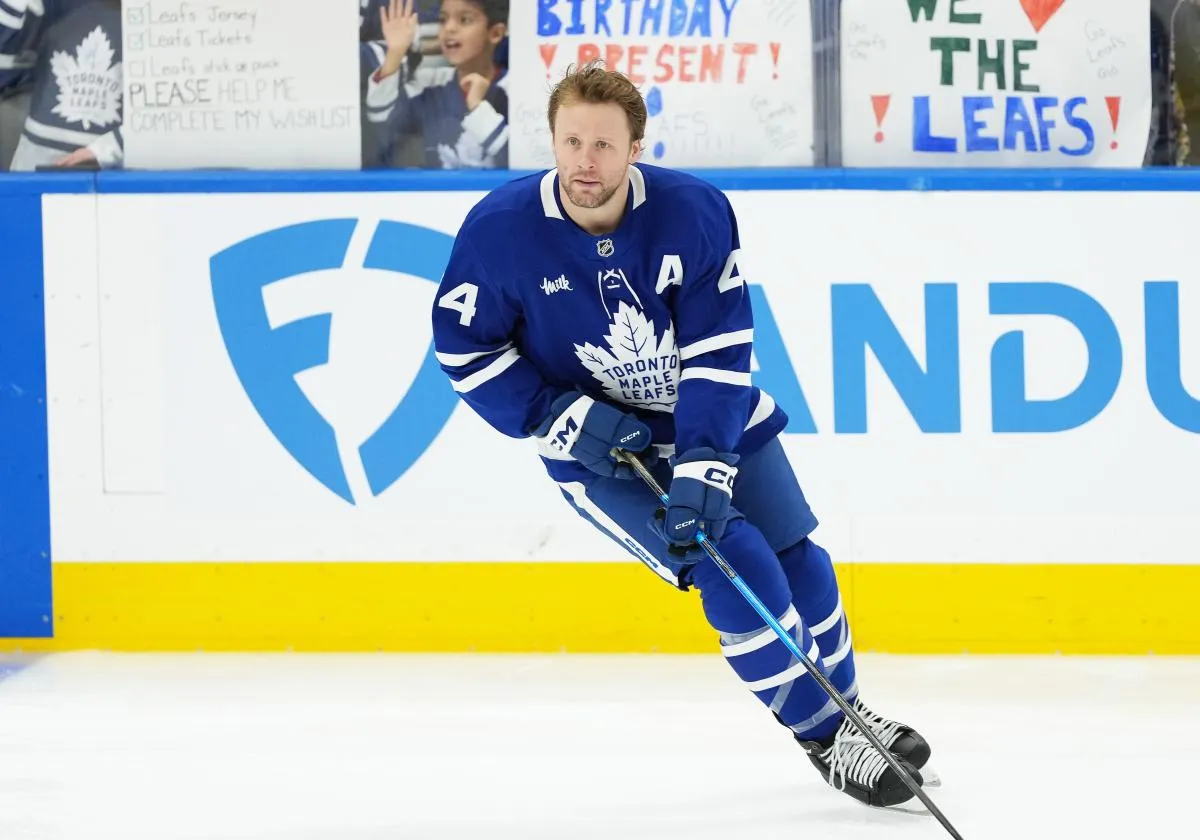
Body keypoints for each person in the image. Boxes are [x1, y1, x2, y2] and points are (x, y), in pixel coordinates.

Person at [429, 61, 934, 809]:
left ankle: (852, 715)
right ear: (553, 141)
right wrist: (553, 415)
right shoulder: (501, 230)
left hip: (709, 416)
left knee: (801, 558)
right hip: (604, 452)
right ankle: (824, 737)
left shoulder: (693, 211)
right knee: (733, 558)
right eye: (570, 142)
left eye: (603, 145)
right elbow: (463, 347)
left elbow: (719, 350)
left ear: (636, 146)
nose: (584, 163)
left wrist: (704, 458)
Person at [366, 0, 508, 169]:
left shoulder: (516, 89)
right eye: (442, 20)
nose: (449, 28)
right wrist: (395, 53)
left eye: (464, 20)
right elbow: (382, 119)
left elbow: (529, 162)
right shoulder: (429, 84)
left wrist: (478, 109)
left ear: (496, 33)